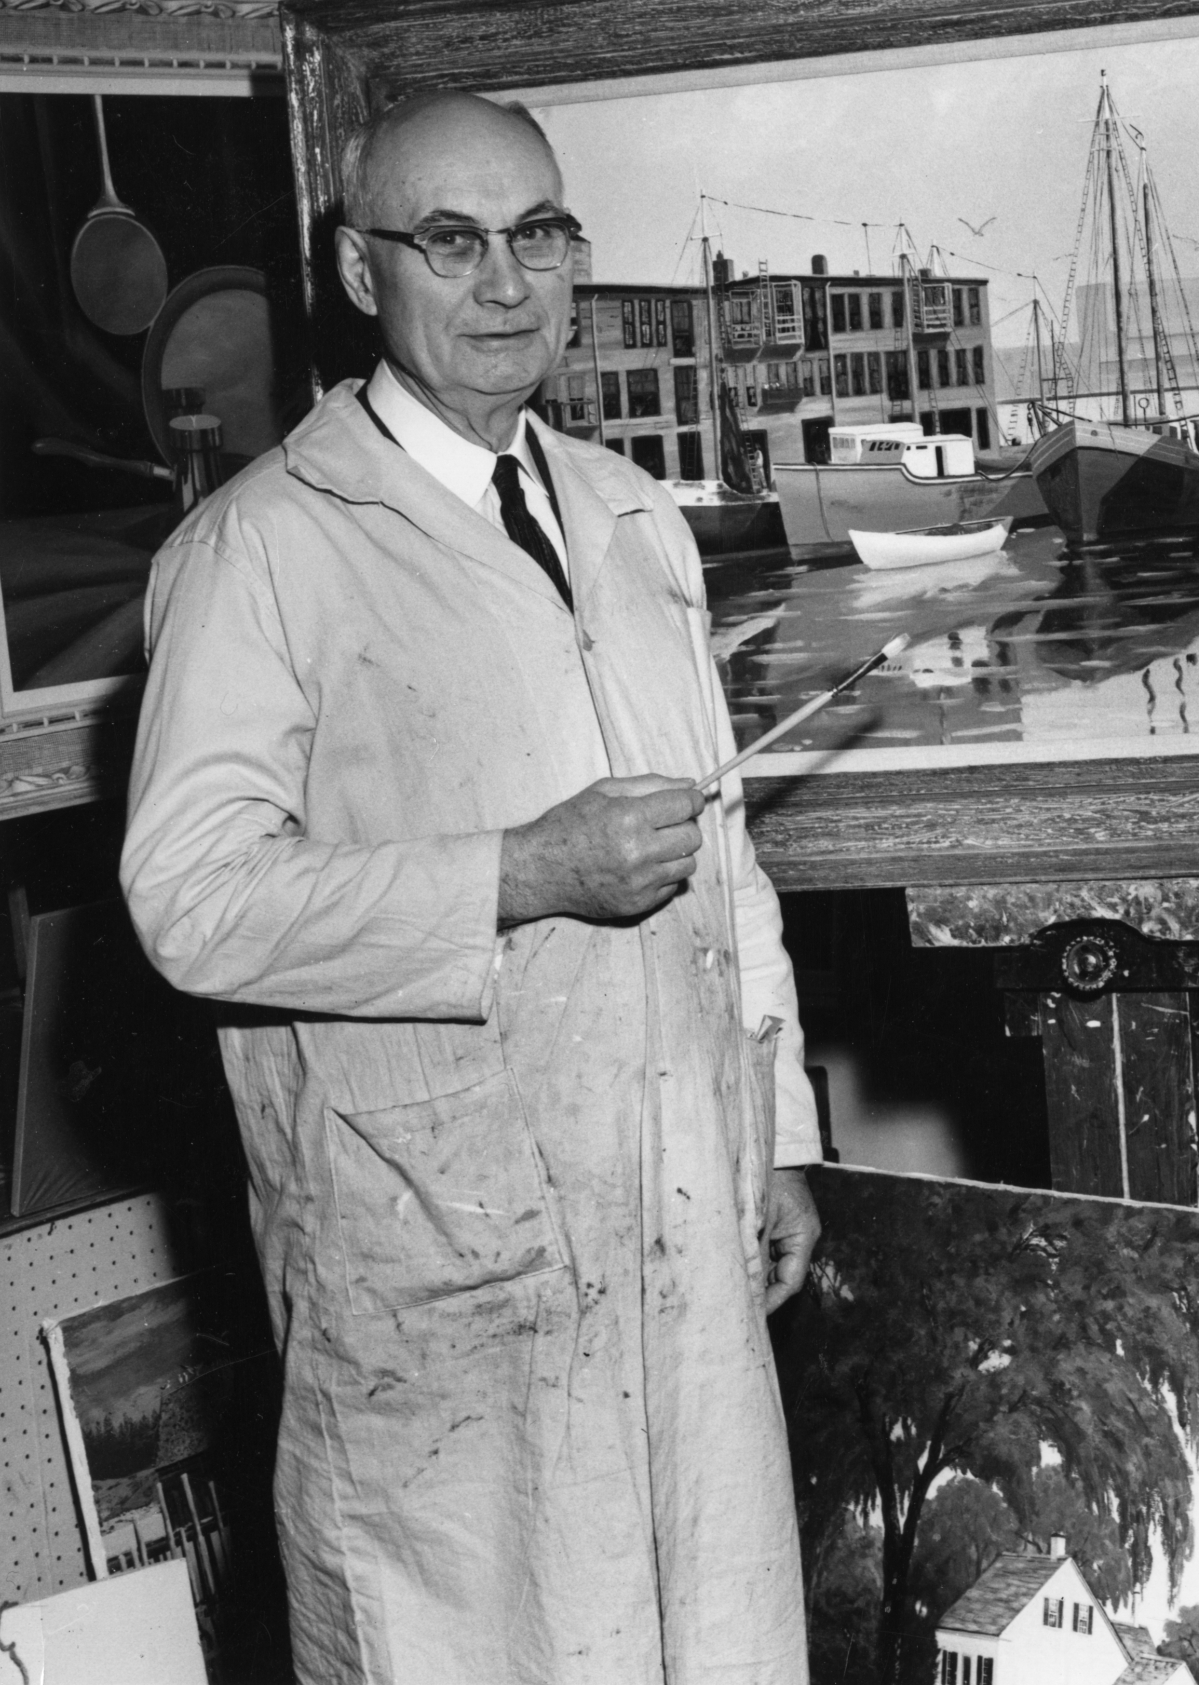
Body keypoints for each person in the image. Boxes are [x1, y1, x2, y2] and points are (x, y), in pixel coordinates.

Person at [121, 88, 820, 1685]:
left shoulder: (636, 517)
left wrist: (776, 1129)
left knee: (707, 1628)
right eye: (452, 239)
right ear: (361, 272)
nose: (508, 282)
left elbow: (728, 854)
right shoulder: (262, 551)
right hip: (436, 1262)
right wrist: (519, 873)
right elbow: (191, 899)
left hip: (676, 1215)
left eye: (540, 234)